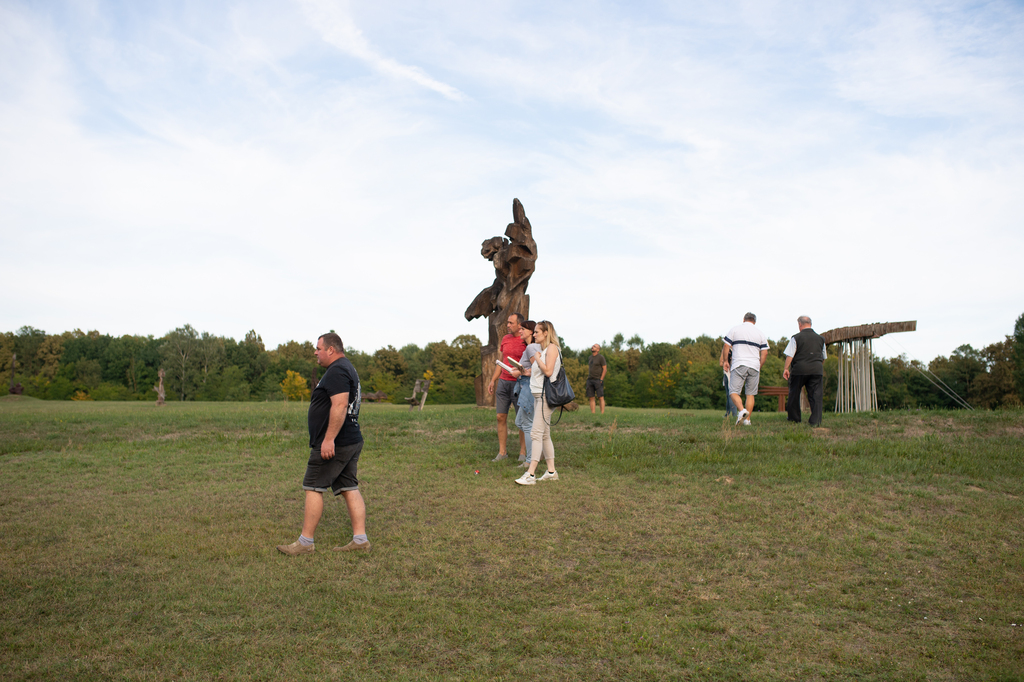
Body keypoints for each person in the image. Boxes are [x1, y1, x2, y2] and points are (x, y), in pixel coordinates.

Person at [277, 333, 369, 556]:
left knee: (313, 487)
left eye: (318, 348)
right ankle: (360, 540)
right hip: (350, 439)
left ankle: (305, 543)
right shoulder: (347, 367)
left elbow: (339, 405)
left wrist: (328, 440)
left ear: (331, 350)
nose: (315, 352)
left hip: (336, 442)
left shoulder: (337, 370)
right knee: (349, 486)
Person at [515, 320, 561, 485]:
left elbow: (548, 371)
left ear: (546, 332)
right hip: (538, 396)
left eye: (536, 332)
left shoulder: (552, 349)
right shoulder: (544, 350)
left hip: (545, 397)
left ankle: (531, 474)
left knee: (535, 434)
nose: (534, 335)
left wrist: (537, 359)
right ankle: (551, 471)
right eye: (533, 332)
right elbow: (540, 373)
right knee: (545, 435)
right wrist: (527, 372)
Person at [486, 313, 528, 462]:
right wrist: (493, 380)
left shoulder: (526, 341)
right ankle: (502, 452)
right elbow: (502, 361)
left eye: (510, 323)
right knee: (500, 416)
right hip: (503, 382)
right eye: (508, 323)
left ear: (519, 324)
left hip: (520, 384)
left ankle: (523, 452)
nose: (508, 325)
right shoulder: (505, 339)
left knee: (521, 419)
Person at [722, 312, 768, 426]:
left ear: (744, 319)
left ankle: (742, 410)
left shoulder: (735, 330)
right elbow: (765, 352)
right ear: (754, 321)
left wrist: (726, 361)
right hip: (754, 366)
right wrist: (759, 366)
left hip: (739, 364)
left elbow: (726, 346)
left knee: (733, 391)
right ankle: (747, 420)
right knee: (750, 394)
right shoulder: (760, 333)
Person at [783, 316, 827, 427]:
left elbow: (790, 355)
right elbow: (823, 357)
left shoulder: (796, 338)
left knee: (794, 392)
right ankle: (815, 420)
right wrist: (817, 366)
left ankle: (794, 418)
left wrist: (786, 368)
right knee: (816, 395)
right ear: (810, 324)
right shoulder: (821, 339)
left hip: (799, 369)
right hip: (816, 369)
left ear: (800, 324)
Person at [510, 321, 541, 469]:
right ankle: (536, 452)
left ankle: (530, 460)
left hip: (529, 387)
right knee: (520, 423)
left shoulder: (531, 347)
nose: (520, 331)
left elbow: (537, 369)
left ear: (530, 332)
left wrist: (522, 371)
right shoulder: (532, 347)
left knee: (527, 425)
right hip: (526, 385)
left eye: (523, 329)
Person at [587, 344, 607, 414]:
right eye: (592, 346)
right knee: (591, 397)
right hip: (590, 379)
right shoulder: (590, 357)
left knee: (600, 397)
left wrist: (601, 379)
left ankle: (602, 413)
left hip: (598, 380)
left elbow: (604, 369)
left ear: (598, 350)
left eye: (594, 346)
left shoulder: (601, 358)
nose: (592, 347)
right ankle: (593, 413)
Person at [719, 344, 738, 418]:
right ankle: (733, 415)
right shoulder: (729, 350)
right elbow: (721, 363)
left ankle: (730, 414)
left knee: (730, 395)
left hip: (729, 375)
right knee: (731, 395)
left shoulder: (727, 350)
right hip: (729, 375)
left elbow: (721, 363)